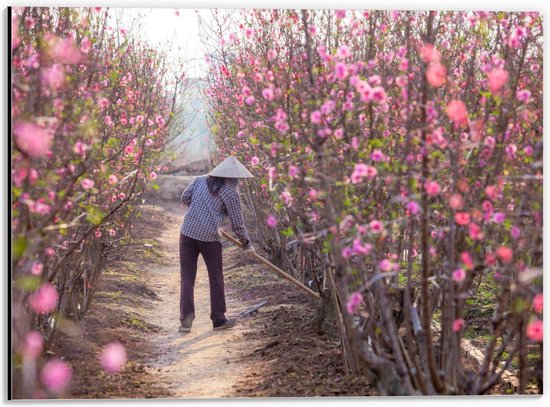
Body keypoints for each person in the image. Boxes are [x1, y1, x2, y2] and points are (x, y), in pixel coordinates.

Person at [178, 156, 255, 332]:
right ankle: (219, 320)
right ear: (232, 177)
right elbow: (237, 223)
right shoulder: (230, 193)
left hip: (187, 232)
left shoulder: (199, 180)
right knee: (216, 278)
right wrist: (247, 244)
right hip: (209, 238)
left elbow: (185, 197)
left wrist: (200, 213)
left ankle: (185, 322)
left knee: (187, 279)